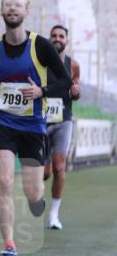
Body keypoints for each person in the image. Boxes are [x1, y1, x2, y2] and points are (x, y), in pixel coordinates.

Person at [0, 0, 71, 256]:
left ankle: (38, 201)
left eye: (17, 5)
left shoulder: (41, 46)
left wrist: (42, 91)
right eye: (7, 5)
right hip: (3, 122)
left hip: (33, 126)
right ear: (2, 13)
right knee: (3, 182)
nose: (12, 8)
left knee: (34, 192)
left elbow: (65, 83)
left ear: (27, 12)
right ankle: (9, 246)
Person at [44, 24, 81, 230]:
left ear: (66, 40)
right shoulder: (40, 63)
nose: (57, 38)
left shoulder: (73, 65)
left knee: (59, 168)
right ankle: (36, 196)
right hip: (40, 121)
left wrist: (76, 91)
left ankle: (54, 215)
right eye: (54, 35)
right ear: (49, 39)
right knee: (45, 173)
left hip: (63, 120)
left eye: (61, 36)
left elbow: (76, 91)